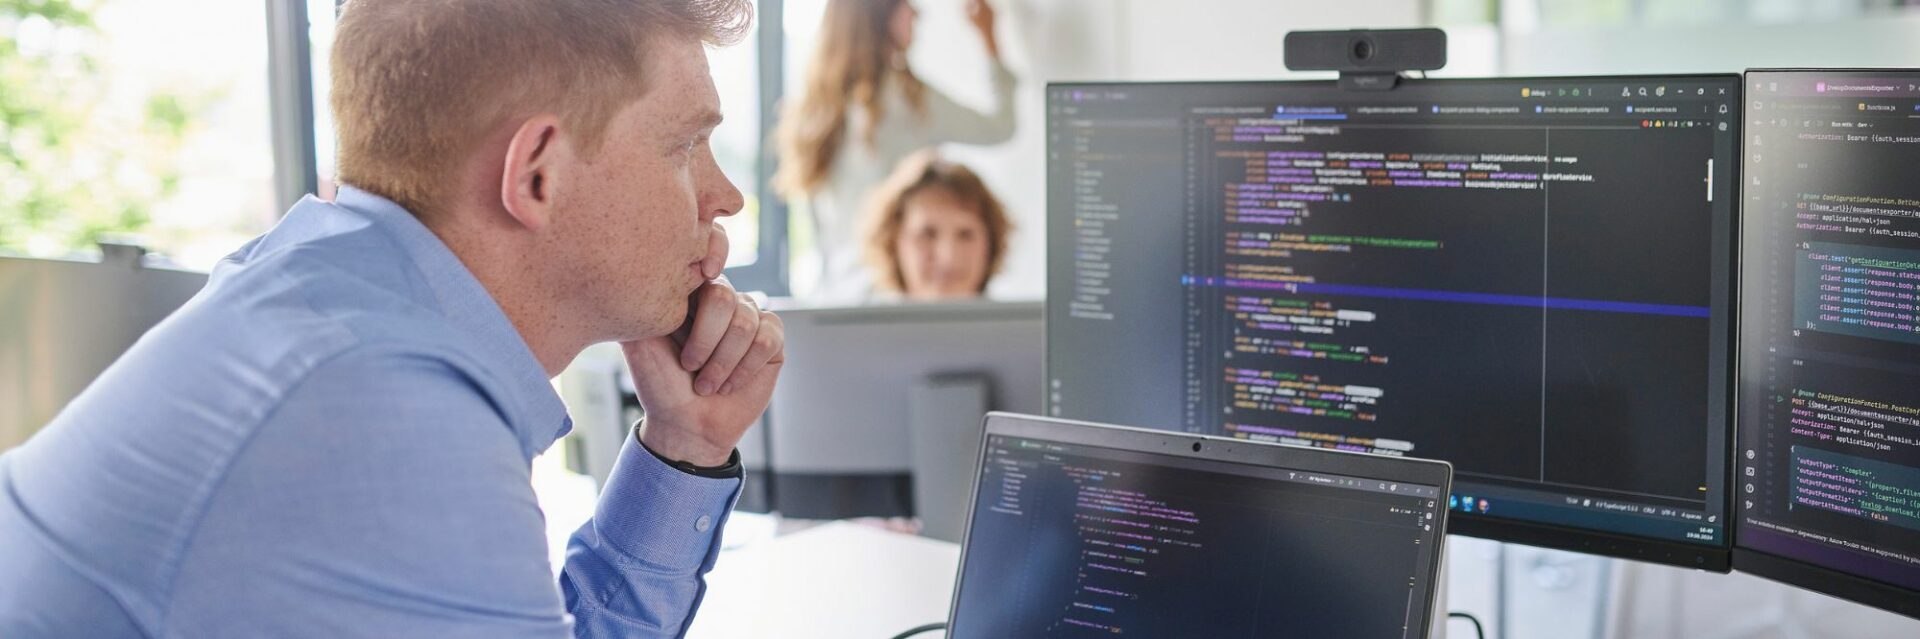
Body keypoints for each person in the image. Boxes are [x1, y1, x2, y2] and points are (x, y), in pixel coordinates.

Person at [0, 1, 780, 637]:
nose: (725, 196)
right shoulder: (379, 406)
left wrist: (686, 447)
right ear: (536, 173)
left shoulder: (323, 297)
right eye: (685, 145)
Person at [773, 0, 1016, 300]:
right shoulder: (906, 100)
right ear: (880, 14)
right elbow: (1000, 127)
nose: (917, 14)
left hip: (836, 295)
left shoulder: (817, 108)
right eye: (905, 5)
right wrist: (989, 38)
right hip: (892, 296)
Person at [860, 150, 1012, 300]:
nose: (948, 255)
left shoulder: (1023, 323)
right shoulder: (859, 324)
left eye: (966, 234)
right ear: (892, 243)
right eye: (927, 234)